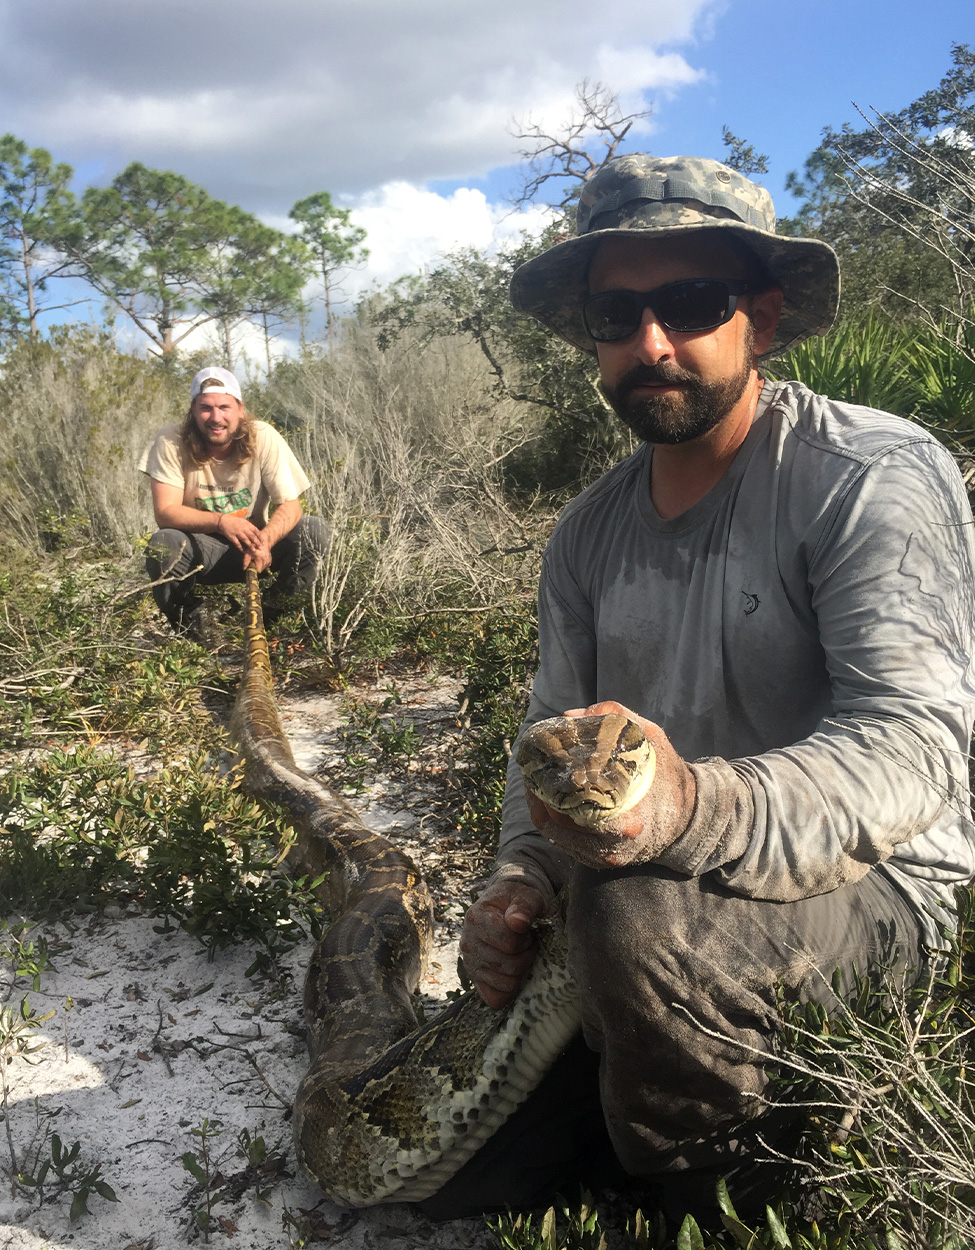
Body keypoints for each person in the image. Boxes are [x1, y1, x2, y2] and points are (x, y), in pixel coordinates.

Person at [443, 155, 975, 1219]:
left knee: (636, 911)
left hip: (872, 890)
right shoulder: (587, 533)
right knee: (460, 1176)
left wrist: (692, 808)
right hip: (642, 894)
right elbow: (547, 741)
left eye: (691, 302)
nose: (651, 342)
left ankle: (714, 1209)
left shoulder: (868, 474)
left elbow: (917, 744)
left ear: (762, 319)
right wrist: (519, 883)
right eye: (615, 311)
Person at [139, 366, 328, 641]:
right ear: (193, 410)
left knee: (315, 530)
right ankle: (195, 635)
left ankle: (271, 620)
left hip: (256, 546)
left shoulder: (263, 436)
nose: (216, 418)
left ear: (240, 409)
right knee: (163, 543)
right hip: (201, 552)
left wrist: (265, 540)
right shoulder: (171, 439)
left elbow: (290, 506)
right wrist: (221, 521)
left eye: (224, 407)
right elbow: (165, 513)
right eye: (206, 408)